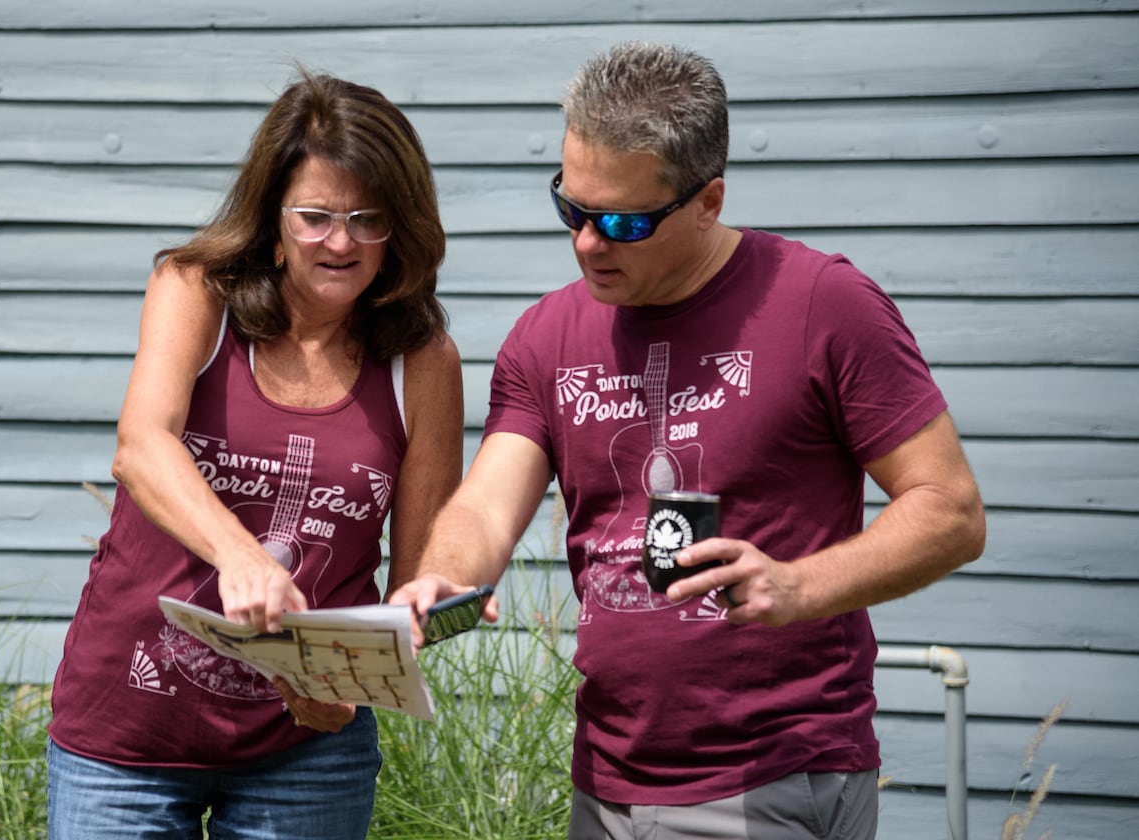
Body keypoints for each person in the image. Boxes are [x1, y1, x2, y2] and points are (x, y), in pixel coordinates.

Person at [391, 41, 985, 840]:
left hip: (771, 772)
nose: (587, 244)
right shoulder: (546, 335)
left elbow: (950, 511)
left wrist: (801, 588)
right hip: (604, 779)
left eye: (625, 222)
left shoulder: (823, 304)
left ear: (708, 202)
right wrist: (443, 578)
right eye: (571, 208)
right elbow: (489, 504)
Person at [47, 70, 465, 840]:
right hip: (128, 730)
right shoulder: (195, 289)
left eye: (368, 220)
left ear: (400, 229)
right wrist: (241, 556)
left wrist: (355, 680)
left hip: (305, 752)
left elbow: (415, 579)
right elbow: (140, 448)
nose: (340, 242)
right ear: (273, 218)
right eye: (315, 216)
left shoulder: (425, 360)